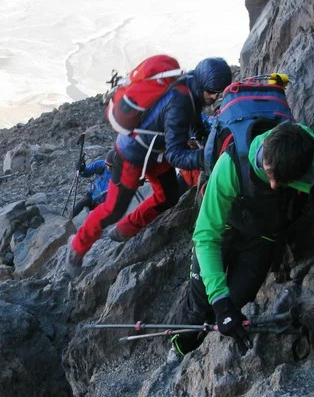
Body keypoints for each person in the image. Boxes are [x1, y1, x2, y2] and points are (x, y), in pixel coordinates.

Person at [168, 121, 314, 360]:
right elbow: (206, 236)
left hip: (263, 237)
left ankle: (206, 347)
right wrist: (219, 300)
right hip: (224, 227)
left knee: (237, 302)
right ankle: (178, 349)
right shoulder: (231, 165)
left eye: (281, 181)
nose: (274, 185)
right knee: (201, 302)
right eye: (268, 174)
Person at [65, 57, 232, 275]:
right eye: (212, 92)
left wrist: (203, 133)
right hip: (131, 155)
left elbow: (193, 120)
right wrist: (205, 157)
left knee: (168, 196)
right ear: (203, 85)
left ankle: (124, 231)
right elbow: (175, 155)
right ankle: (77, 247)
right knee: (113, 209)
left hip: (153, 154)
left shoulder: (191, 86)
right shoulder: (181, 101)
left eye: (219, 93)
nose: (215, 97)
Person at [71, 150, 115, 218]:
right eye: (107, 165)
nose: (108, 168)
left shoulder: (120, 175)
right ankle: (68, 220)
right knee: (79, 206)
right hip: (91, 195)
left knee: (95, 218)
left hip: (105, 203)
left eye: (111, 166)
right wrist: (82, 169)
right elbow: (88, 172)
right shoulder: (100, 164)